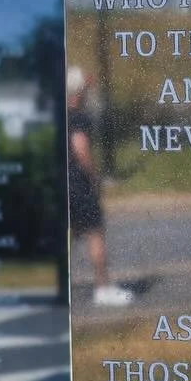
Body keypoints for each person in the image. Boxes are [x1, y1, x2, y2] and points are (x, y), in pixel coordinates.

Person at [67, 66, 134, 307]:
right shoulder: (78, 117)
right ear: (78, 92)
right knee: (95, 233)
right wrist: (94, 178)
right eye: (85, 89)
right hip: (77, 183)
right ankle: (103, 288)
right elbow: (80, 148)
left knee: (73, 233)